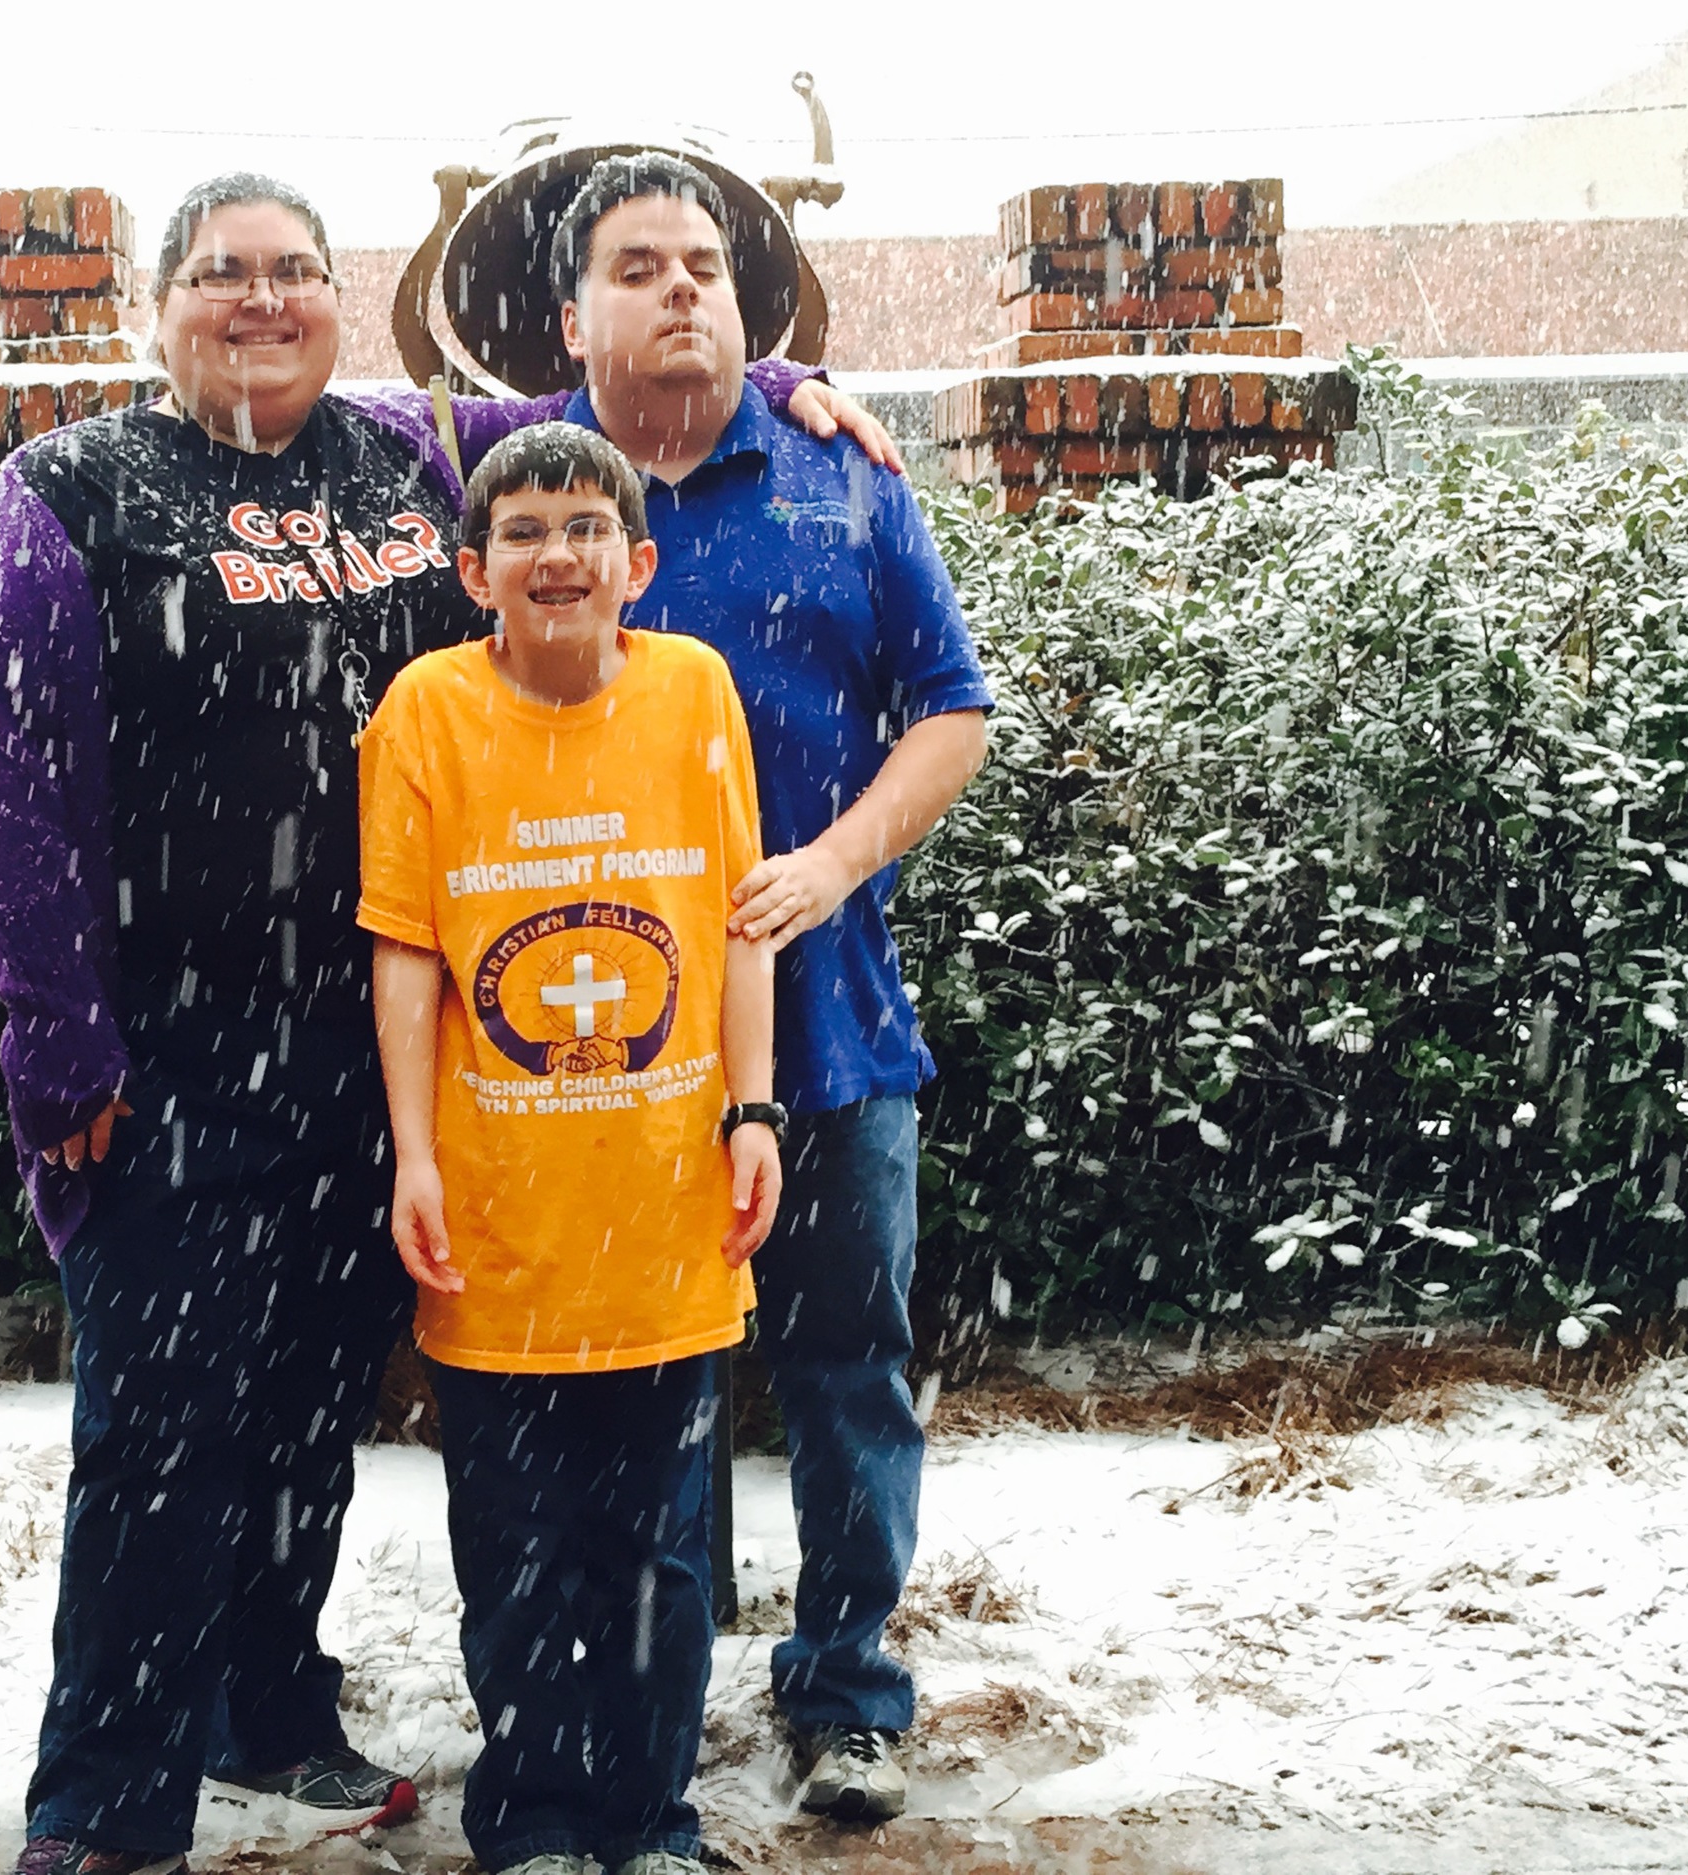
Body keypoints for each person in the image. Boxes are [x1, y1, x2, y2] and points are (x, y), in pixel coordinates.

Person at [0, 169, 912, 1875]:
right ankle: (104, 1811)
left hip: (388, 1058)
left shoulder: (405, 452)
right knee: (162, 1439)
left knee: (312, 1411)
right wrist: (58, 1043)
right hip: (170, 1055)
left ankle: (269, 1706)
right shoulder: (71, 496)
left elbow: (597, 418)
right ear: (155, 305)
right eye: (223, 275)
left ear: (339, 298)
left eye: (297, 272)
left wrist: (769, 387)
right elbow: (10, 795)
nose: (264, 302)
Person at [525, 153, 996, 1823]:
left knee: (846, 1367)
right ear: (570, 314)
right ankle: (644, 1679)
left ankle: (849, 1691)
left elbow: (952, 708)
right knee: (626, 1380)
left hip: (832, 1030)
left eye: (705, 268)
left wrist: (842, 860)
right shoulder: (528, 488)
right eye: (637, 266)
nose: (679, 291)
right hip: (602, 1055)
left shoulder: (841, 482)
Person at [359, 422, 782, 1875]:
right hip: (497, 1216)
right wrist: (414, 1155)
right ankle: (533, 1818)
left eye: (587, 527)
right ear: (473, 569)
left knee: (663, 1547)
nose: (558, 553)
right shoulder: (423, 712)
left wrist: (756, 1109)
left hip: (668, 1211)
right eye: (525, 531)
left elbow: (738, 921)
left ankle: (653, 1819)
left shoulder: (694, 694)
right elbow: (408, 954)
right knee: (519, 1549)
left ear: (637, 564)